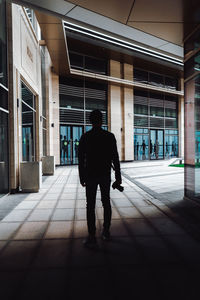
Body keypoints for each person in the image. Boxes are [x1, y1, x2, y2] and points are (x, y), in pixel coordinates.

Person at [78, 109, 121, 247]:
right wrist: (118, 177)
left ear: (90, 121)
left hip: (90, 174)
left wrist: (82, 176)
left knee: (90, 205)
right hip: (104, 174)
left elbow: (80, 159)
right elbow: (115, 158)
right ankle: (106, 231)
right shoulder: (109, 136)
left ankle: (92, 235)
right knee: (106, 202)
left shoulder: (85, 137)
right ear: (102, 120)